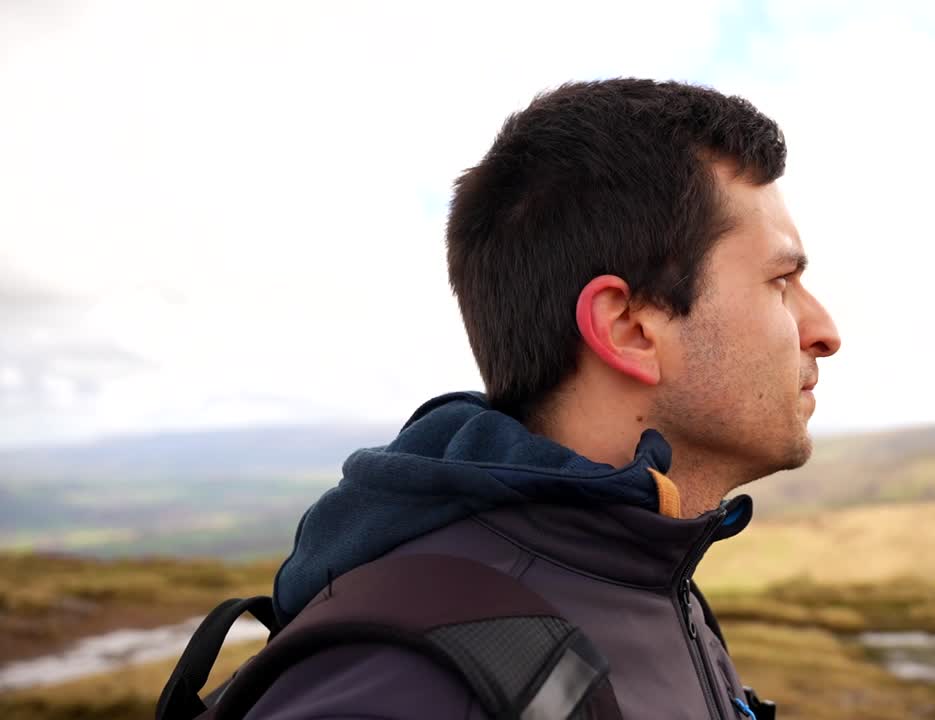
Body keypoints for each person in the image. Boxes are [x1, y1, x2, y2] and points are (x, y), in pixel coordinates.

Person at [248, 78, 841, 719]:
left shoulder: (649, 578)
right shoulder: (413, 684)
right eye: (781, 281)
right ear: (629, 330)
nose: (824, 332)